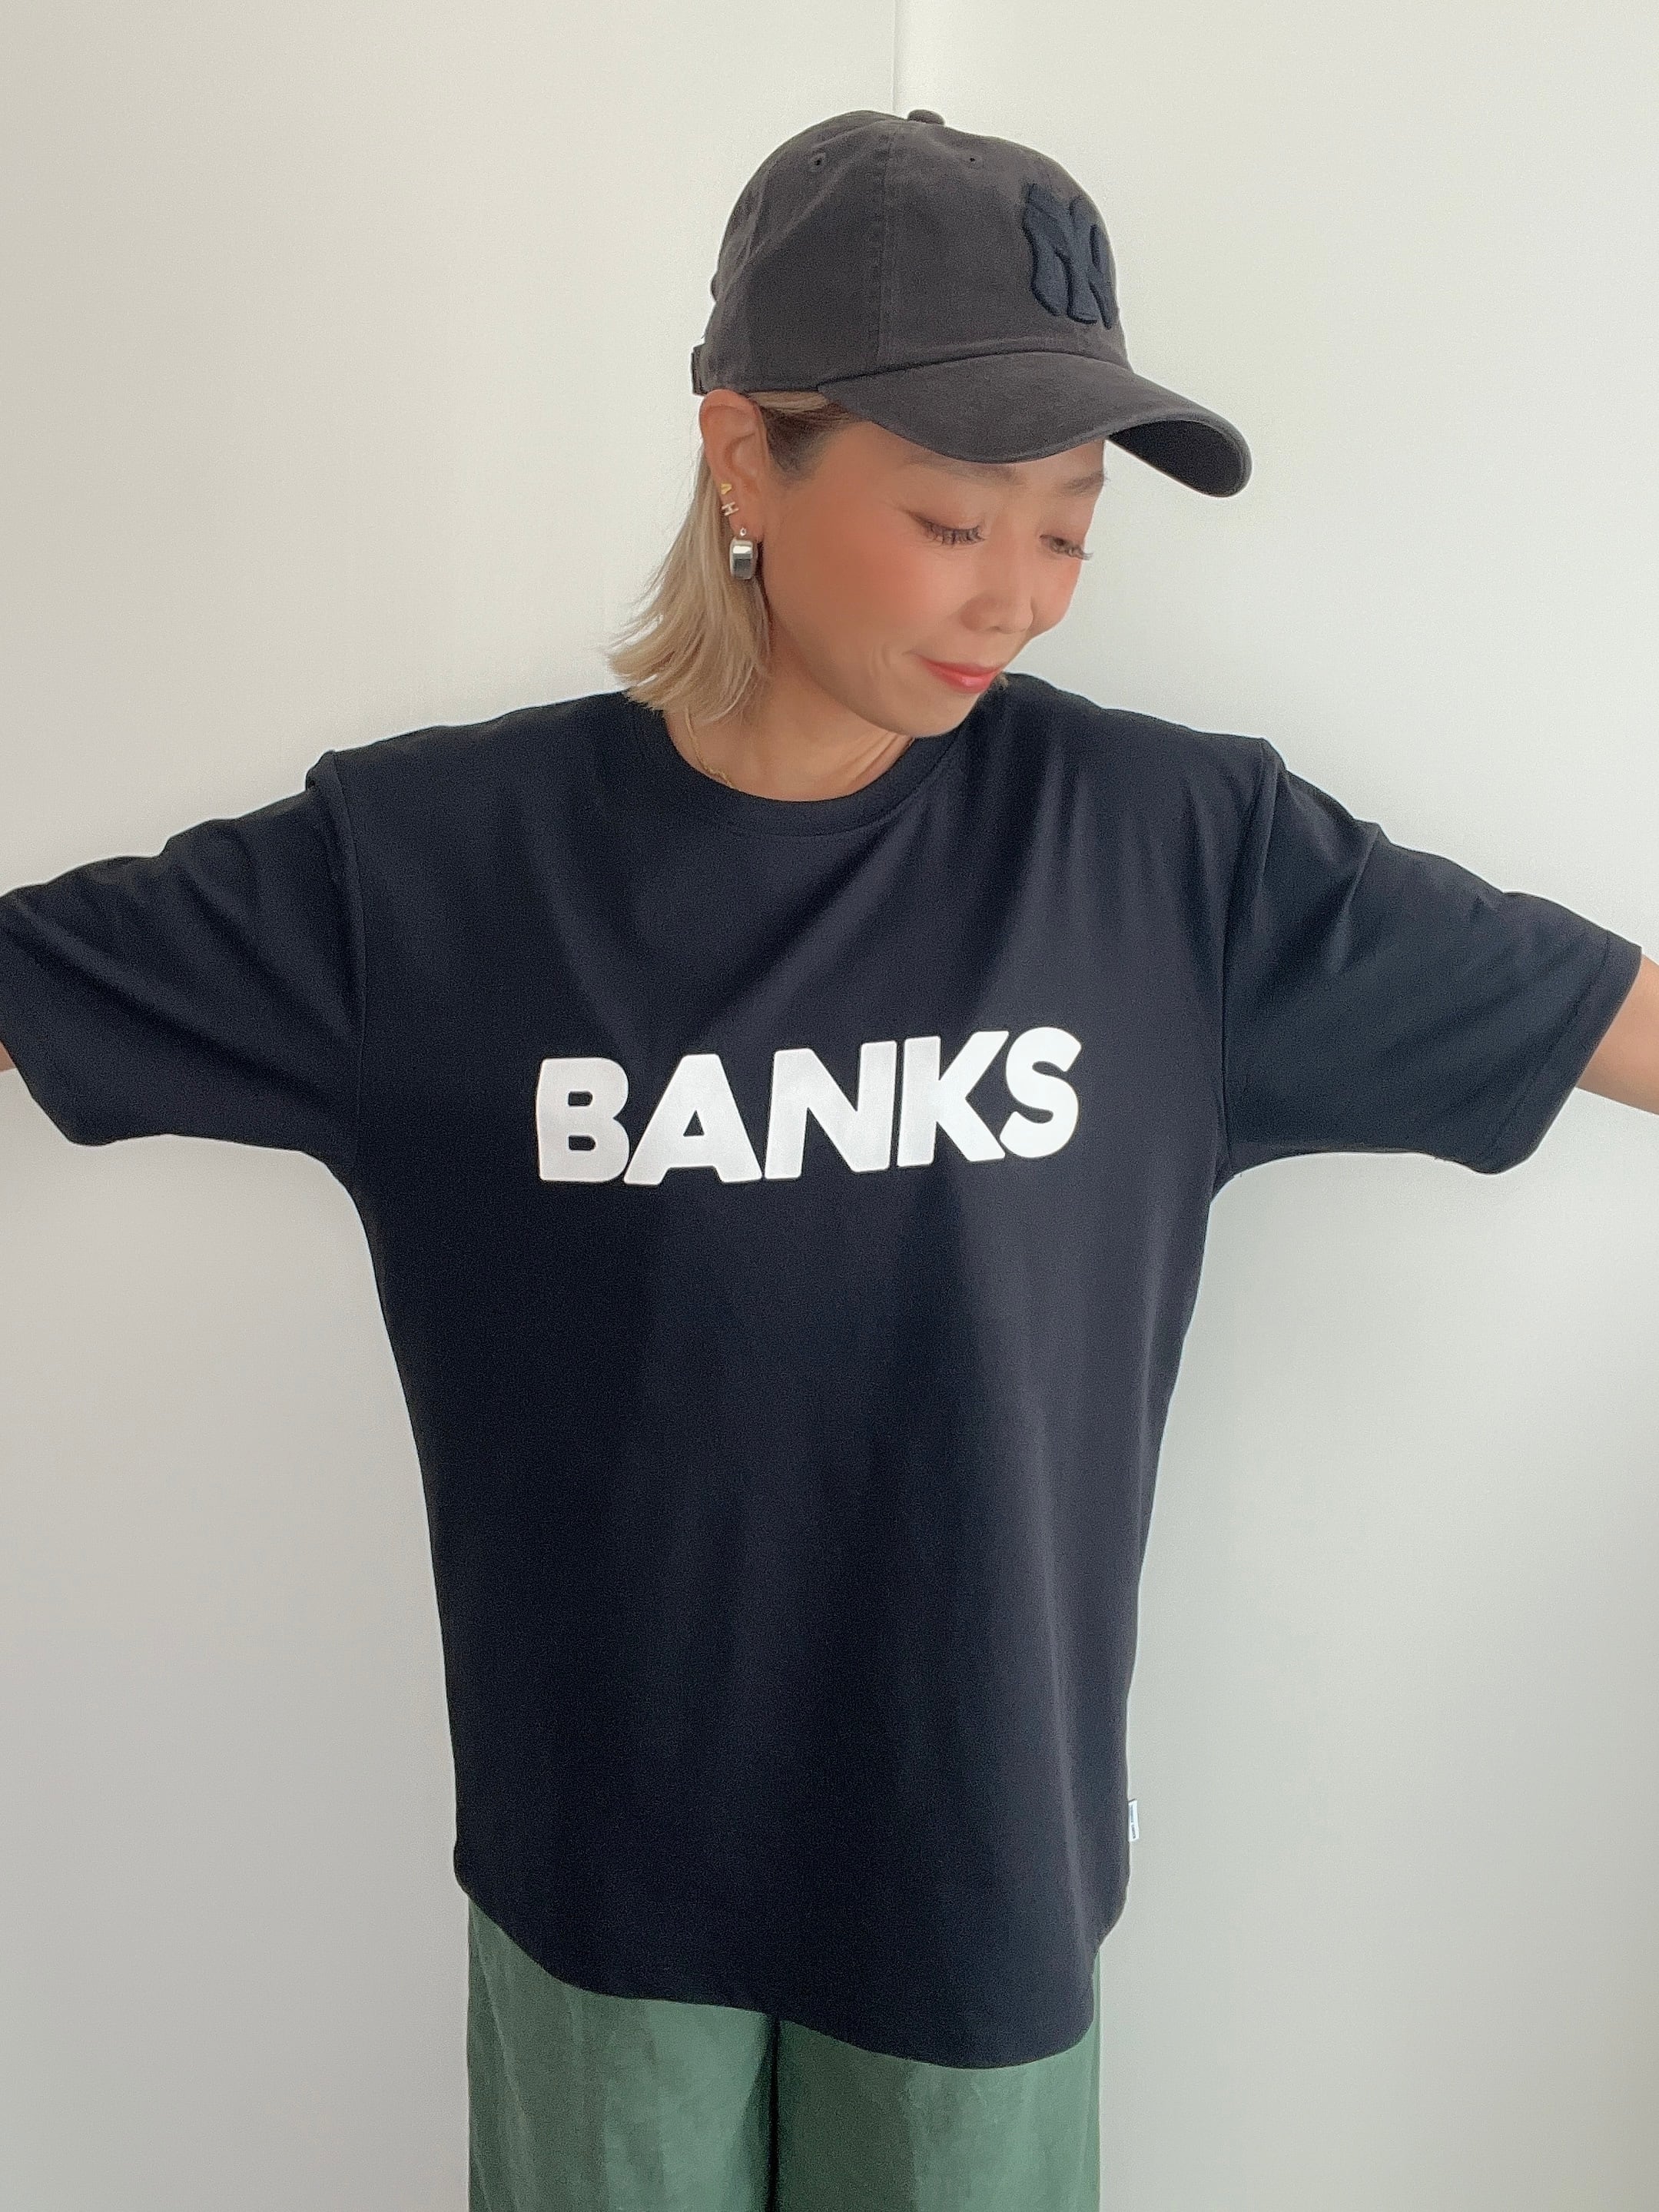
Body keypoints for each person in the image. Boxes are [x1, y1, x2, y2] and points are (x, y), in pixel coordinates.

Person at [1, 107, 1653, 2212]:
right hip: (601, 1905)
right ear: (742, 461)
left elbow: (1606, 1016)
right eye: (957, 517)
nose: (1019, 600)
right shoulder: (434, 874)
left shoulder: (1180, 861)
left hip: (977, 1895)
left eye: (1071, 529)